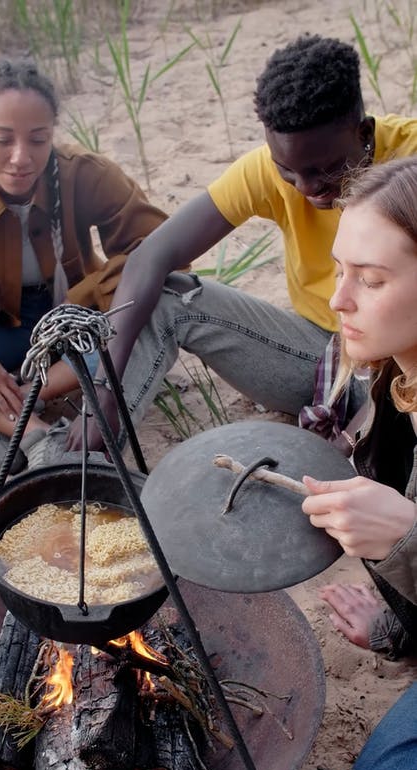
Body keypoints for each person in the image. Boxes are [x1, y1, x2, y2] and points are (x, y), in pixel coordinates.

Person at [68, 33, 417, 455]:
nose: (307, 188)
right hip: (324, 355)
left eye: (325, 170)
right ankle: (83, 461)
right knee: (170, 298)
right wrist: (105, 390)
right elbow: (152, 256)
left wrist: (351, 435)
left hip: (404, 368)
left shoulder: (408, 170)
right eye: (288, 171)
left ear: (362, 132)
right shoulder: (274, 170)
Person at [0, 58, 167, 473]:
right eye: (2, 139)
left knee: (150, 308)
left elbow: (158, 248)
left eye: (38, 139)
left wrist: (81, 302)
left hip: (73, 325)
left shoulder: (83, 174)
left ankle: (24, 400)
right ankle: (33, 433)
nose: (21, 157)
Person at [300, 156, 417, 770]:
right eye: (340, 269)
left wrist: (408, 539)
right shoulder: (399, 381)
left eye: (370, 280)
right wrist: (396, 627)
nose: (338, 298)